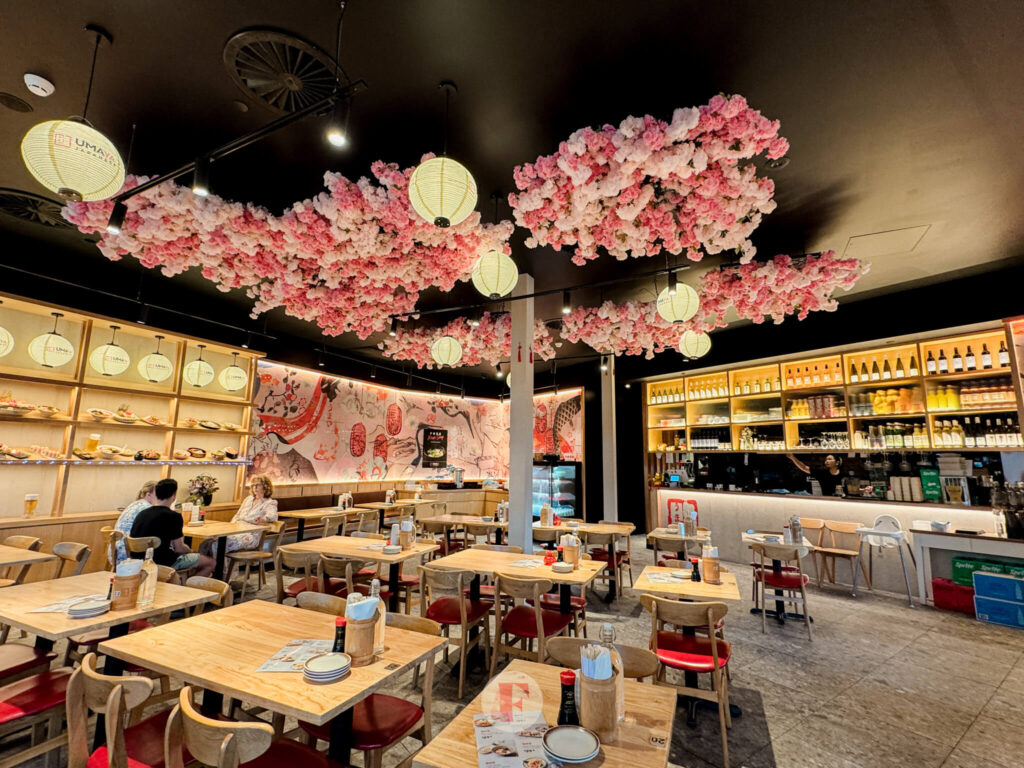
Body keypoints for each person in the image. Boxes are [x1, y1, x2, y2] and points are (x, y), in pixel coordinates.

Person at [130, 478, 215, 576]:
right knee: (210, 563)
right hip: (164, 563)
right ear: (174, 496)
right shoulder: (174, 516)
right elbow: (179, 548)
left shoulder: (142, 513)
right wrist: (191, 551)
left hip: (138, 563)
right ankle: (189, 588)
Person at [200, 474, 278, 558]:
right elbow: (237, 515)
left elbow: (272, 516)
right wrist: (230, 527)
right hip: (236, 530)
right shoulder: (248, 499)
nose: (254, 487)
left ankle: (222, 570)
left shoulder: (269, 503)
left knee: (219, 545)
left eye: (257, 485)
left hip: (250, 535)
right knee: (207, 543)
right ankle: (206, 568)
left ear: (265, 486)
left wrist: (264, 519)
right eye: (253, 485)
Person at [112, 480, 157, 564]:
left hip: (115, 551)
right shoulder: (147, 509)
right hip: (129, 554)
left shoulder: (134, 504)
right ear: (148, 495)